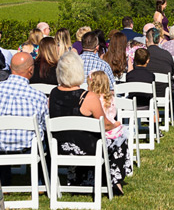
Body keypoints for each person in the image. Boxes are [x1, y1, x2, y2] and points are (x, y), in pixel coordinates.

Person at [48, 53, 129, 192]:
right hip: (87, 148)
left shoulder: (53, 94)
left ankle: (81, 178)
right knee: (119, 139)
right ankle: (114, 181)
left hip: (60, 147)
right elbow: (105, 125)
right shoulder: (88, 97)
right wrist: (116, 125)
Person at [0, 52, 49, 184]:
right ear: (30, 70)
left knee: (0, 135)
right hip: (27, 147)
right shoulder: (38, 96)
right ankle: (41, 182)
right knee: (45, 139)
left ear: (11, 68)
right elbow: (44, 124)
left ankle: (2, 180)